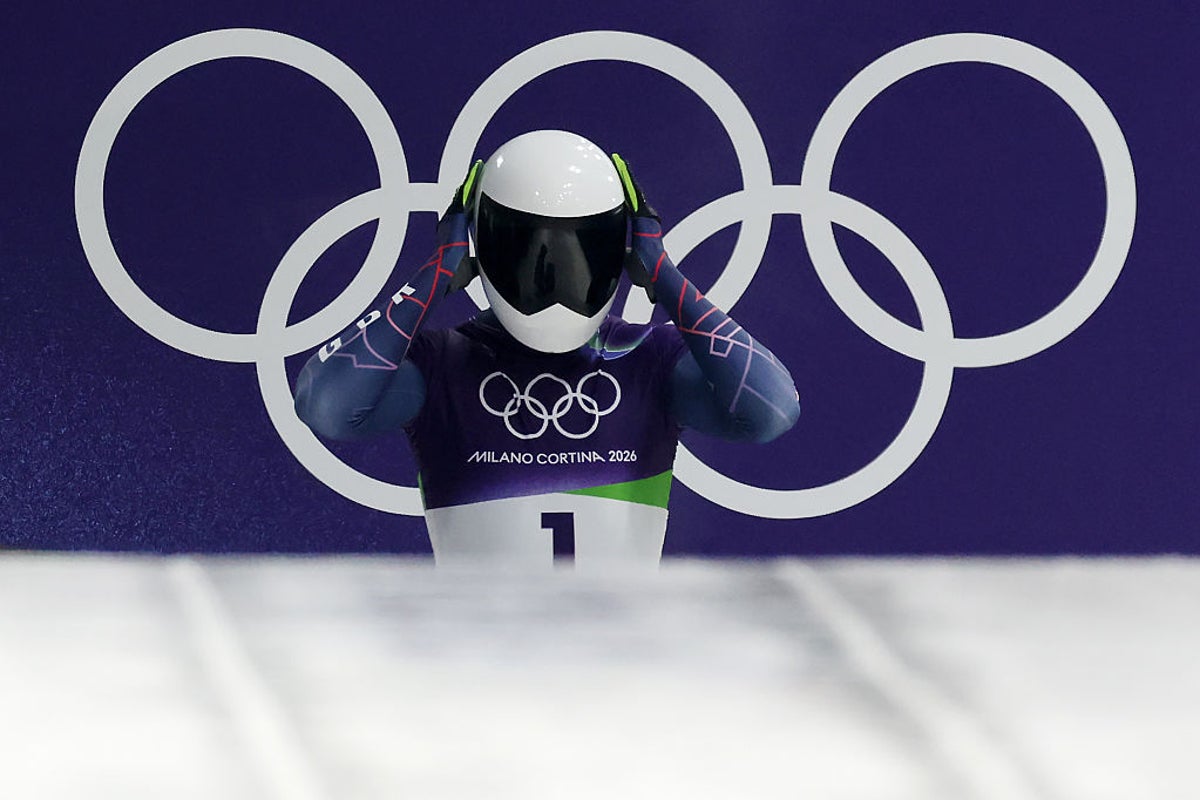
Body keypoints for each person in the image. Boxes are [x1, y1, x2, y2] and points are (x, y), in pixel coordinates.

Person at [294, 130, 799, 567]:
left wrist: (664, 274)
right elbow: (326, 406)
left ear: (619, 247)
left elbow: (772, 413)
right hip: (484, 649)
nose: (556, 277)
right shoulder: (441, 364)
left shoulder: (651, 359)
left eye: (582, 249)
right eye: (528, 249)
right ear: (482, 242)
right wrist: (436, 271)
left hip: (620, 650)